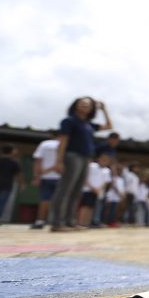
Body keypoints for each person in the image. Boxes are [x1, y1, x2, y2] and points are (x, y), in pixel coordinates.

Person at [51, 98, 113, 232]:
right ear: (75, 106)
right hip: (72, 156)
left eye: (89, 104)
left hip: (86, 158)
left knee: (76, 191)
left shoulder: (89, 124)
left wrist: (104, 109)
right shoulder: (69, 121)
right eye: (82, 103)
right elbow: (63, 141)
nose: (85, 105)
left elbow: (109, 126)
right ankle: (57, 223)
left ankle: (70, 222)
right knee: (65, 189)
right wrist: (59, 161)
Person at [30, 131, 60, 229]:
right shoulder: (66, 145)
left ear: (52, 136)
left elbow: (38, 160)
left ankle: (40, 221)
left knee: (44, 199)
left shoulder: (44, 144)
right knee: (60, 200)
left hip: (45, 176)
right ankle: (58, 221)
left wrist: (36, 176)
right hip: (61, 177)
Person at [0, 144, 22, 226]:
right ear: (12, 151)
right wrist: (22, 185)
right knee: (0, 203)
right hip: (6, 185)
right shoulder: (14, 162)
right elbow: (18, 175)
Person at [79, 152, 111, 227]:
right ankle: (81, 222)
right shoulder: (91, 166)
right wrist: (92, 188)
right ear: (98, 159)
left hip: (98, 191)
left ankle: (87, 222)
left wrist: (99, 189)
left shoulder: (106, 170)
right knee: (85, 206)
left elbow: (105, 182)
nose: (104, 162)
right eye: (103, 160)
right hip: (88, 189)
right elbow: (85, 177)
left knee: (91, 207)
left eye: (106, 160)